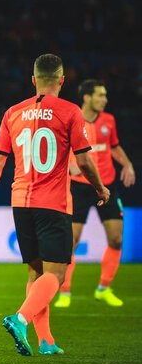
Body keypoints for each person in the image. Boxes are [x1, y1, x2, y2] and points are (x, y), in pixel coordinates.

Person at [0, 54, 109, 356]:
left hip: (20, 202)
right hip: (53, 203)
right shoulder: (71, 112)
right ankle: (20, 319)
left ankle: (45, 341)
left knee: (35, 273)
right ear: (62, 80)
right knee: (56, 275)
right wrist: (100, 187)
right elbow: (84, 159)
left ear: (33, 80)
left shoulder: (13, 113)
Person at [55, 80, 136, 308]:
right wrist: (66, 164)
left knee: (116, 239)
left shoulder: (108, 121)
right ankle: (65, 292)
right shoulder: (71, 118)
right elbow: (59, 147)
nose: (105, 99)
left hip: (107, 185)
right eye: (101, 95)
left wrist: (128, 164)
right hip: (79, 187)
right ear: (87, 97)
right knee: (71, 242)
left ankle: (104, 288)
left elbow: (113, 146)